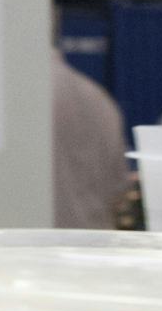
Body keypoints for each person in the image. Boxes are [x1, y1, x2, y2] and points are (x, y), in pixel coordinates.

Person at [51, 49, 129, 229]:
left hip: (33, 247)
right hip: (93, 244)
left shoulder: (10, 94)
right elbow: (118, 189)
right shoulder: (97, 97)